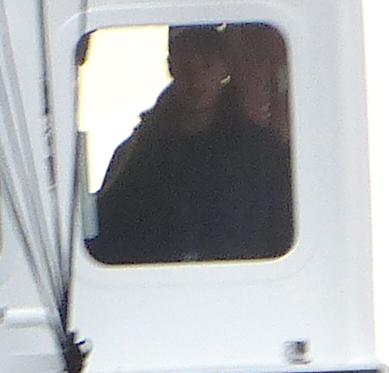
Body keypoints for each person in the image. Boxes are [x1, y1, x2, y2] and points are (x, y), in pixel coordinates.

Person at [85, 24, 293, 266]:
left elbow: (284, 237)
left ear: (225, 67)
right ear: (171, 67)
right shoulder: (136, 154)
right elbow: (107, 234)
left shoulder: (263, 155)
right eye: (187, 65)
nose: (198, 78)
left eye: (207, 64)